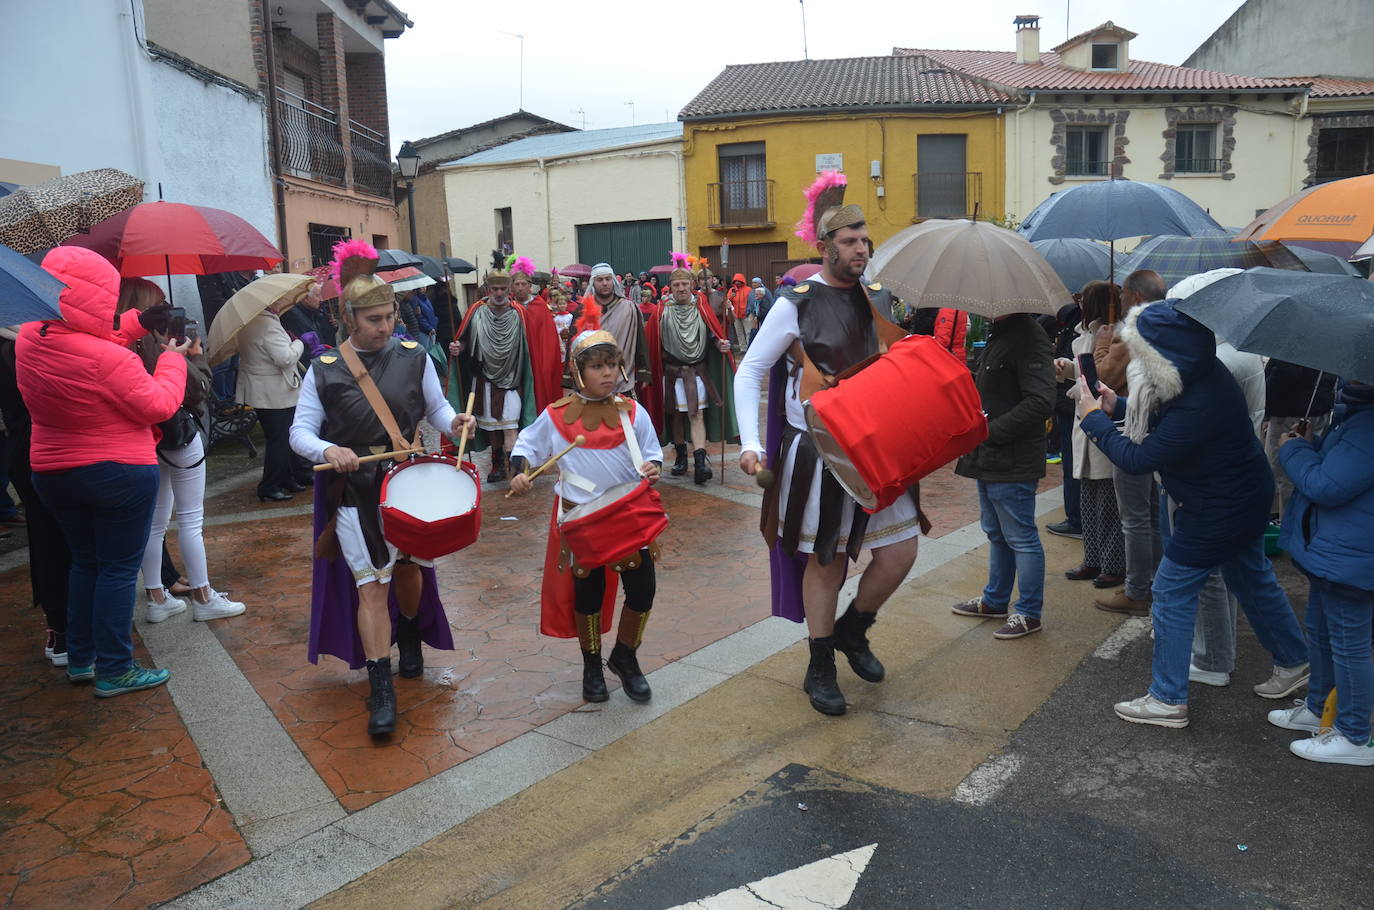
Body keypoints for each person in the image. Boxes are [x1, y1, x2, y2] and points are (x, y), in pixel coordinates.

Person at [734, 172, 925, 716]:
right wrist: (751, 442)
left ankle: (853, 629)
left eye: (865, 240)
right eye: (849, 241)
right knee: (828, 559)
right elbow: (750, 372)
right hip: (820, 450)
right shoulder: (796, 302)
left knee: (900, 552)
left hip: (878, 446)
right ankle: (820, 662)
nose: (861, 249)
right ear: (824, 247)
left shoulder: (881, 297)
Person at [1078, 299, 1309, 729]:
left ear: (1162, 355)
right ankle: (1294, 661)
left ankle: (1167, 699)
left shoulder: (1198, 397)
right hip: (1238, 496)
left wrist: (1093, 420)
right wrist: (1118, 407)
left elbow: (1140, 457)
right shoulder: (1198, 373)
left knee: (1170, 590)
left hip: (1219, 504)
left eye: (1143, 352)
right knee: (1250, 578)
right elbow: (1167, 430)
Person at [289, 239, 475, 737]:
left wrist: (456, 423)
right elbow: (299, 433)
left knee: (411, 568)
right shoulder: (324, 370)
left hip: (408, 481)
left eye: (390, 316)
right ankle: (381, 683)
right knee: (372, 584)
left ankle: (410, 633)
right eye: (375, 319)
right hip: (357, 490)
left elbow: (436, 411)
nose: (387, 327)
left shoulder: (415, 356)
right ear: (350, 319)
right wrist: (328, 451)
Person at [16, 246, 190, 697]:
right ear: (99, 297)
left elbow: (84, 343)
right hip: (116, 474)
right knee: (116, 570)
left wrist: (135, 323)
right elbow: (159, 403)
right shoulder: (112, 361)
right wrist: (173, 358)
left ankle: (81, 657)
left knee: (86, 564)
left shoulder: (31, 339)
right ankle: (117, 668)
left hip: (54, 471)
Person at [509, 329, 664, 703]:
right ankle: (591, 665)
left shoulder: (631, 410)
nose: (607, 373)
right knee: (588, 595)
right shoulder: (555, 415)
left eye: (612, 364)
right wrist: (520, 469)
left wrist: (654, 466)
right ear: (579, 372)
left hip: (627, 515)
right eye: (597, 366)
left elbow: (651, 450)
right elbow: (527, 444)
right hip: (582, 520)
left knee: (643, 591)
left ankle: (626, 655)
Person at [112, 279, 246, 624]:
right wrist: (196, 356)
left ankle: (157, 597)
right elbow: (197, 389)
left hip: (145, 439)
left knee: (155, 524)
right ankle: (203, 596)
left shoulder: (116, 345)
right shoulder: (159, 346)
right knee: (190, 520)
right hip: (178, 436)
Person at [1272, 379, 1374, 766]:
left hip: (1353, 553)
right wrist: (1311, 444)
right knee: (1321, 631)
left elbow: (1326, 485)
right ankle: (1319, 709)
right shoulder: (1355, 414)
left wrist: (1294, 449)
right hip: (1335, 548)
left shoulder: (1368, 423)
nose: (1347, 376)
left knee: (1349, 645)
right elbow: (1339, 471)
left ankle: (1353, 734)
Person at [951, 302, 1057, 639]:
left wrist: (992, 432)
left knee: (1021, 537)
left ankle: (1028, 613)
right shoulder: (1003, 333)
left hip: (1011, 455)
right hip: (990, 455)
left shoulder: (1028, 336)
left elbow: (1040, 400)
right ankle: (996, 599)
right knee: (996, 533)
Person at [1092, 270, 1166, 616]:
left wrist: (1102, 343)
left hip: (1135, 431)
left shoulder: (1137, 331)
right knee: (1150, 516)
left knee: (1135, 518)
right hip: (1154, 427)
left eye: (1123, 293)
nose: (1119, 299)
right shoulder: (1170, 327)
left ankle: (1138, 590)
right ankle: (1153, 582)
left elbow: (1105, 374)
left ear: (1136, 297)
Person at [0, 324, 72, 665]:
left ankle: (60, 627)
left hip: (27, 449)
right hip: (43, 447)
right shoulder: (29, 345)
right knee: (56, 541)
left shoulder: (21, 343)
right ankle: (62, 629)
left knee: (48, 540)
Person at [1054, 281, 1126, 593]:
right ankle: (1092, 558)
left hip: (1106, 421)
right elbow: (1083, 370)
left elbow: (1103, 376)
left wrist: (1101, 344)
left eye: (1085, 300)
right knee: (1088, 494)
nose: (1079, 305)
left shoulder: (1118, 334)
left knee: (1109, 498)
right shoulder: (1087, 333)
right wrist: (1066, 368)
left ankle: (1113, 565)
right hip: (1085, 422)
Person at [646, 260, 736, 483]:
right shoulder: (661, 310)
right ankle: (681, 457)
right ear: (671, 287)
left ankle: (699, 462)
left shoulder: (702, 306)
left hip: (697, 372)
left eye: (685, 284)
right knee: (675, 415)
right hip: (672, 372)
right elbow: (651, 342)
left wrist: (721, 345)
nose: (681, 289)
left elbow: (715, 334)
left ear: (692, 284)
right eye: (676, 285)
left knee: (696, 414)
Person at [449, 270, 538, 482]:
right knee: (491, 428)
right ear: (488, 290)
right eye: (495, 289)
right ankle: (498, 464)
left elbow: (529, 350)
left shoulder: (518, 314)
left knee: (510, 426)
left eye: (503, 289)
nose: (499, 293)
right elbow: (467, 339)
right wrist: (458, 347)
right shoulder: (476, 311)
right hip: (483, 381)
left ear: (509, 290)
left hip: (511, 381)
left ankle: (514, 469)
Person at [237, 289, 309, 502]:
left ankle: (285, 479)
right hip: (275, 392)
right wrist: (298, 343)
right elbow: (285, 358)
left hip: (263, 390)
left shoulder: (250, 322)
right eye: (277, 300)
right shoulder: (267, 324)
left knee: (280, 437)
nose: (280, 303)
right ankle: (270, 485)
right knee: (280, 440)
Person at [1265, 360, 1336, 520]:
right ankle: (1285, 515)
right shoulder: (1331, 341)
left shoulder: (1295, 344)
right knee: (1305, 463)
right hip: (1319, 405)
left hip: (1292, 412)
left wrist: (1267, 403)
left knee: (1285, 472)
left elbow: (1284, 374)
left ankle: (1287, 521)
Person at [1044, 298, 1083, 539]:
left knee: (1073, 464)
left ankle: (1076, 518)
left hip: (1073, 403)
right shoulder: (1074, 322)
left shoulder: (1084, 327)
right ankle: (1076, 516)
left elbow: (1091, 368)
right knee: (1072, 463)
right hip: (1068, 400)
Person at [585, 263, 650, 401]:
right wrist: (569, 378)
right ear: (593, 283)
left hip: (623, 378)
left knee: (627, 421)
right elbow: (574, 346)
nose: (604, 283)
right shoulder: (584, 310)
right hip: (592, 381)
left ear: (613, 281)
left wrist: (644, 371)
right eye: (600, 280)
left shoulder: (629, 308)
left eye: (608, 279)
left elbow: (640, 341)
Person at [509, 256, 564, 414]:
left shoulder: (539, 307)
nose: (520, 288)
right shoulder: (508, 307)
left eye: (523, 284)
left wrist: (546, 364)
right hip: (515, 361)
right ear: (512, 287)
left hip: (537, 360)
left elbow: (549, 340)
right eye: (517, 284)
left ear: (529, 286)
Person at [726, 273, 751, 353]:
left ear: (742, 281)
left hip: (746, 314)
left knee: (748, 332)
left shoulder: (748, 290)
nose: (737, 283)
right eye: (736, 281)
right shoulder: (731, 290)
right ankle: (743, 349)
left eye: (739, 281)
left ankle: (749, 348)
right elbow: (727, 301)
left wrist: (749, 311)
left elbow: (751, 301)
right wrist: (731, 296)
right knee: (739, 333)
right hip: (736, 315)